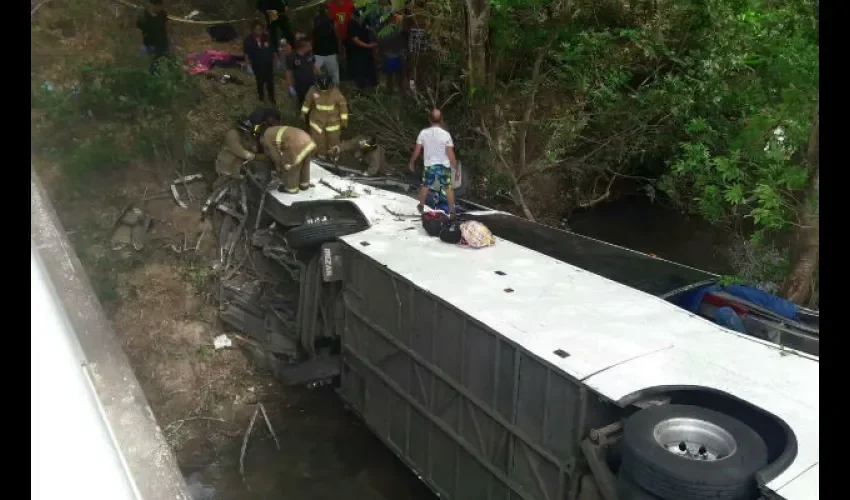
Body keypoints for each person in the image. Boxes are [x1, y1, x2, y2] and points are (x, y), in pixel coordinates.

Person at [408, 108, 457, 217]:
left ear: (429, 119)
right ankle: (452, 211)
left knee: (425, 185)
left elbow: (417, 150)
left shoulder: (423, 133)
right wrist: (456, 168)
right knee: (448, 187)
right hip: (444, 165)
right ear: (441, 120)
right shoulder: (446, 135)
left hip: (430, 165)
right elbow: (450, 154)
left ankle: (421, 206)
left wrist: (412, 161)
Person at [301, 72, 349, 158]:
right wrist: (303, 113)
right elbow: (307, 102)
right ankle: (321, 155)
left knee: (333, 140)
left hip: (333, 122)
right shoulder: (312, 90)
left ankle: (334, 156)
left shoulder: (335, 92)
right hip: (317, 121)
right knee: (318, 140)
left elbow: (343, 106)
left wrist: (344, 120)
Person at [261, 125, 317, 193]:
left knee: (290, 167)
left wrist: (279, 166)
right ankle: (304, 184)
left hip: (296, 145)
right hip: (308, 141)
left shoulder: (267, 139)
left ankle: (291, 188)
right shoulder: (272, 131)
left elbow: (276, 156)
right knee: (304, 164)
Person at [214, 120, 257, 190]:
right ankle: (213, 195)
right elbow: (239, 150)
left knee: (234, 181)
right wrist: (253, 156)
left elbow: (249, 145)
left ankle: (228, 196)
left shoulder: (245, 135)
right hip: (226, 161)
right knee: (223, 180)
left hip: (237, 163)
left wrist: (253, 145)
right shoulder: (232, 134)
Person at [243, 21, 277, 104]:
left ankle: (271, 98)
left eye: (260, 29)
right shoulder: (248, 40)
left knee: (270, 82)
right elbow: (246, 54)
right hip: (257, 64)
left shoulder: (266, 37)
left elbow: (272, 49)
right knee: (260, 81)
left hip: (268, 64)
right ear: (253, 30)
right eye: (257, 30)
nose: (259, 32)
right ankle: (261, 97)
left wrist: (276, 58)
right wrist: (248, 65)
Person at [285, 39, 320, 115]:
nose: (311, 47)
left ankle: (314, 115)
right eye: (309, 45)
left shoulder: (310, 54)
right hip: (300, 85)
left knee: (315, 99)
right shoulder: (292, 57)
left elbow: (314, 65)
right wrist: (290, 86)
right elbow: (288, 73)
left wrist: (320, 75)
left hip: (312, 83)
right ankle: (304, 117)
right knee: (303, 102)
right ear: (303, 47)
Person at [346, 9, 378, 89]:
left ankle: (373, 84)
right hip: (356, 51)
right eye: (359, 17)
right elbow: (355, 40)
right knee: (359, 69)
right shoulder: (351, 24)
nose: (361, 19)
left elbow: (370, 29)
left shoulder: (365, 20)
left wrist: (375, 36)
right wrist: (369, 46)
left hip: (367, 50)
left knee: (370, 66)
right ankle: (361, 87)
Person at [377, 9, 407, 93]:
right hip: (391, 54)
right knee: (393, 73)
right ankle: (392, 89)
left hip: (394, 54)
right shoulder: (390, 30)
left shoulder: (396, 29)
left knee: (395, 73)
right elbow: (382, 41)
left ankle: (393, 88)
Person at [136, 0, 172, 72]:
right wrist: (139, 43)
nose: (160, 8)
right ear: (153, 5)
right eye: (159, 6)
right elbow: (139, 31)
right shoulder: (144, 15)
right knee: (149, 67)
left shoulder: (163, 14)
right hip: (148, 45)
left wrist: (170, 39)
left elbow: (167, 27)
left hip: (162, 45)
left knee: (163, 66)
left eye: (161, 6)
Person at [312, 5, 340, 85]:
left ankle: (317, 88)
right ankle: (333, 89)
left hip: (320, 52)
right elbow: (337, 36)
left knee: (316, 73)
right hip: (327, 52)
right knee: (334, 74)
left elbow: (312, 35)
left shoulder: (315, 21)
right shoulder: (332, 21)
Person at [328, 0, 354, 67]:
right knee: (340, 54)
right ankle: (342, 68)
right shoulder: (331, 5)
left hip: (350, 34)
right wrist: (337, 36)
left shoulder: (350, 3)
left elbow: (354, 18)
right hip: (338, 35)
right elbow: (332, 21)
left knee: (350, 53)